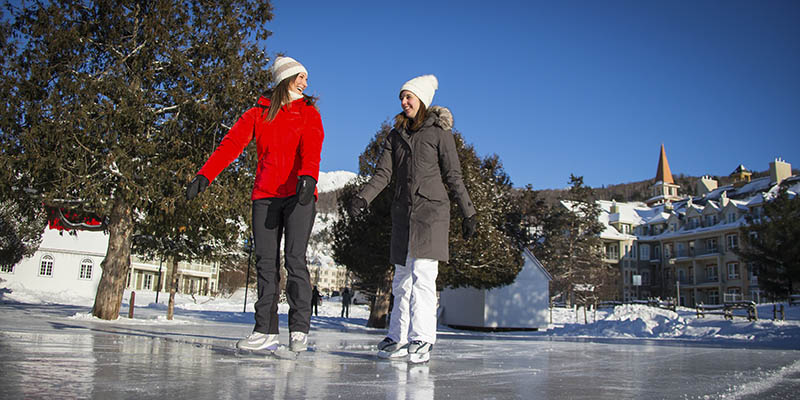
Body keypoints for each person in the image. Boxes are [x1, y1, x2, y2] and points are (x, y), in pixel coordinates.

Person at [186, 56, 324, 353]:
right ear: (285, 78)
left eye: (306, 78)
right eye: (300, 76)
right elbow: (231, 144)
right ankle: (265, 330)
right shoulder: (258, 113)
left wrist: (309, 176)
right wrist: (205, 174)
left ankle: (298, 329)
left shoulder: (309, 112)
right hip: (265, 195)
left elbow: (313, 144)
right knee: (265, 263)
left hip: (299, 194)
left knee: (295, 260)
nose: (305, 82)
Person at [347, 75, 477, 363]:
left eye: (409, 97)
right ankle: (398, 336)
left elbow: (453, 175)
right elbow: (383, 174)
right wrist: (363, 197)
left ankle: (422, 338)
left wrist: (469, 212)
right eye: (401, 98)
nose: (404, 102)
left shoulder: (439, 133)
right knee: (401, 279)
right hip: (403, 214)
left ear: (422, 100)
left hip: (431, 213)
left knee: (423, 276)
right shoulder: (395, 135)